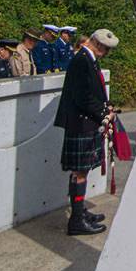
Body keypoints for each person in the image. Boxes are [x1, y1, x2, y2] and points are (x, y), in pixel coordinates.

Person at [53, 28, 119, 236]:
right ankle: (76, 220)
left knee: (83, 171)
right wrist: (103, 115)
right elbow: (83, 97)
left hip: (85, 123)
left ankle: (79, 213)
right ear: (97, 45)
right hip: (81, 123)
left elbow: (93, 91)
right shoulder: (82, 61)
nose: (105, 53)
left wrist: (106, 106)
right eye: (105, 49)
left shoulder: (87, 59)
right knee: (79, 172)